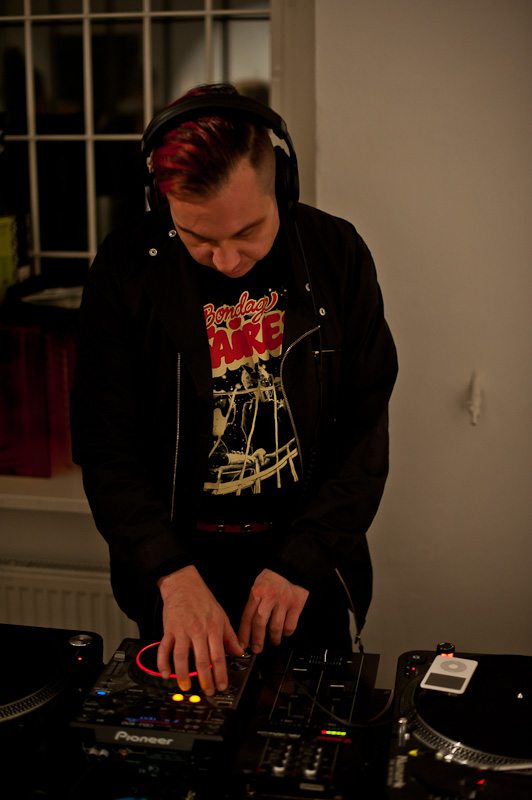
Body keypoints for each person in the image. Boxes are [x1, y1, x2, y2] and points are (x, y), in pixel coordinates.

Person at [70, 83, 398, 700]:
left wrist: (303, 560)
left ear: (283, 186)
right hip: (178, 572)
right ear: (162, 201)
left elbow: (364, 431)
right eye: (198, 237)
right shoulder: (125, 267)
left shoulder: (336, 254)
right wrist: (169, 572)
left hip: (307, 567)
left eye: (248, 231)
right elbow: (105, 446)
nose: (226, 260)